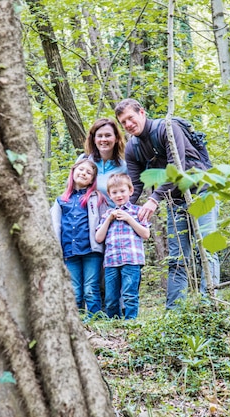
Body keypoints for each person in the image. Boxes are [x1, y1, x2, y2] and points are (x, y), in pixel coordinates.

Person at [114, 98, 220, 309]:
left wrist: (154, 200)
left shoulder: (167, 129)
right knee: (177, 258)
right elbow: (135, 185)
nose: (127, 124)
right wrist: (120, 211)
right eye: (123, 122)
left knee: (207, 251)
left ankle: (210, 307)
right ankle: (175, 313)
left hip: (201, 193)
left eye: (130, 118)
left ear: (142, 112)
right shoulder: (132, 148)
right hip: (174, 201)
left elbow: (176, 167)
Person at [51, 159, 107, 317]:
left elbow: (104, 221)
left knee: (91, 288)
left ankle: (94, 320)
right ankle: (77, 322)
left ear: (92, 180)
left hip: (91, 251)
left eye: (89, 173)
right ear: (73, 171)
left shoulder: (97, 198)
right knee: (74, 290)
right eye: (81, 169)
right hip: (70, 251)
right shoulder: (62, 200)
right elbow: (56, 225)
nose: (84, 173)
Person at [95, 173, 150, 319]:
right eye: (114, 192)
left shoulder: (138, 212)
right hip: (112, 262)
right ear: (109, 195)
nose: (119, 195)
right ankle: (114, 323)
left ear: (130, 191)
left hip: (132, 260)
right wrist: (109, 219)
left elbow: (145, 234)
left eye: (122, 191)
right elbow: (99, 238)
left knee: (130, 294)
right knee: (111, 298)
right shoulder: (106, 214)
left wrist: (129, 219)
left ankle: (131, 323)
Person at [76, 118, 128, 206]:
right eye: (99, 136)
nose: (103, 139)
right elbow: (70, 189)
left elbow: (127, 198)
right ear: (94, 139)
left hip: (112, 217)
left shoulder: (124, 167)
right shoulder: (83, 160)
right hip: (83, 217)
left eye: (108, 135)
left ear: (116, 138)